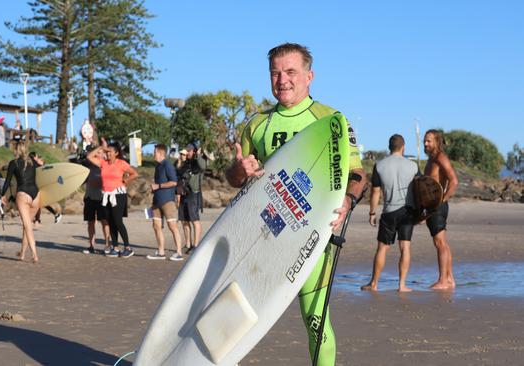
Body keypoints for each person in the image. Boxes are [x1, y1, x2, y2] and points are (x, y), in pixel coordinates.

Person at [225, 43, 366, 365]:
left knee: (315, 321)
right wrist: (238, 170)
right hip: (263, 234)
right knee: (237, 316)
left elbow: (357, 173)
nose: (282, 80)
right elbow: (236, 178)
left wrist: (347, 199)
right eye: (275, 73)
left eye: (291, 72)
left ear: (309, 76)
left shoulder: (332, 120)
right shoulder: (256, 124)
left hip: (313, 237)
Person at [361, 134, 418, 292]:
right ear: (403, 147)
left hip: (389, 212)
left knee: (382, 248)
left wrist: (372, 212)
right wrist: (421, 213)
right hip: (408, 211)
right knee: (405, 247)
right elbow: (420, 190)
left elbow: (375, 192)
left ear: (389, 146)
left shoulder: (379, 165)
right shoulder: (413, 166)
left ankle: (374, 284)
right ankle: (402, 285)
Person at [87, 139, 139, 258]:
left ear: (116, 153)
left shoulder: (121, 163)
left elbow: (134, 173)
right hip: (106, 195)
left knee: (117, 221)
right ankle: (115, 247)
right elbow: (90, 156)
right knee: (110, 221)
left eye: (110, 152)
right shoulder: (103, 163)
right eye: (107, 152)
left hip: (118, 195)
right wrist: (101, 147)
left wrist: (126, 180)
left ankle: (128, 247)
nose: (108, 153)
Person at [424, 129, 458, 290]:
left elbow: (454, 181)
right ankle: (450, 278)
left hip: (438, 206)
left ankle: (442, 280)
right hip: (432, 206)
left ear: (437, 141)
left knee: (440, 243)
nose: (426, 143)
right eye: (425, 140)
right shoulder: (431, 159)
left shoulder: (440, 158)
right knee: (442, 242)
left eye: (429, 141)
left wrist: (443, 199)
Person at [1, 141, 41, 262]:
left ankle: (35, 255)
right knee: (27, 225)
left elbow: (7, 181)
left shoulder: (13, 163)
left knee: (28, 226)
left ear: (16, 150)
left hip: (23, 194)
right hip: (36, 195)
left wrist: (3, 195)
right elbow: (44, 171)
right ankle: (22, 253)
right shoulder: (32, 161)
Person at [147, 144, 184, 261]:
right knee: (156, 226)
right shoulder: (158, 166)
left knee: (172, 226)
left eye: (154, 152)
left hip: (167, 201)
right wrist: (154, 189)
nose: (153, 154)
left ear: (160, 153)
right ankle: (161, 252)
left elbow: (174, 182)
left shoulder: (167, 165)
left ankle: (178, 252)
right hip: (157, 201)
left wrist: (157, 186)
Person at [80, 145, 111, 254]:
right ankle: (91, 245)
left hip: (102, 197)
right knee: (90, 222)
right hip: (89, 196)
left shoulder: (106, 164)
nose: (98, 154)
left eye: (100, 152)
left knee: (104, 221)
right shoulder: (89, 164)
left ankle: (107, 245)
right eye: (97, 152)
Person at [177, 143, 206, 254]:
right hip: (184, 192)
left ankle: (196, 245)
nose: (187, 152)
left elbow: (203, 166)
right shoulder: (187, 162)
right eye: (187, 150)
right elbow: (180, 175)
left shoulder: (200, 161)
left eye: (189, 151)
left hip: (194, 193)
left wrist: (198, 155)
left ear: (194, 151)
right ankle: (188, 244)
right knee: (184, 220)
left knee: (194, 220)